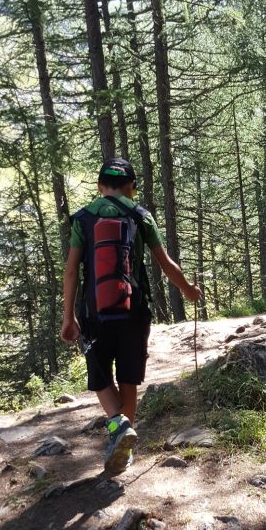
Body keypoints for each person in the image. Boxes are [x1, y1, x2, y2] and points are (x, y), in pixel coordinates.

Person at [60, 158, 201, 472]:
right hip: (134, 313)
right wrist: (189, 290)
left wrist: (68, 317)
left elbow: (71, 271)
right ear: (132, 188)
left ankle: (118, 427)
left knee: (99, 380)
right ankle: (125, 439)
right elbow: (164, 263)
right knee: (128, 379)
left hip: (95, 314)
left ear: (99, 187)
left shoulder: (83, 218)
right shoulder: (141, 215)